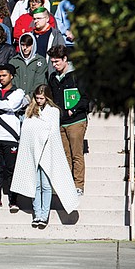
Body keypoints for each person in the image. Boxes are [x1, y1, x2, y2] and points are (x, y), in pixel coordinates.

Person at [11, 84, 79, 227]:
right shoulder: (30, 111)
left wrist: (40, 133)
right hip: (32, 152)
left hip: (47, 152)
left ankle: (44, 215)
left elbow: (52, 133)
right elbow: (27, 132)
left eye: (42, 98)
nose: (39, 100)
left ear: (47, 98)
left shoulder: (53, 112)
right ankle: (37, 214)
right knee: (35, 185)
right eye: (37, 98)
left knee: (46, 186)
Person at [47, 45, 89, 196]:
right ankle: (67, 183)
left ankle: (78, 185)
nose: (54, 65)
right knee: (65, 155)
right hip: (60, 121)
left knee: (76, 153)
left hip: (76, 121)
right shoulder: (52, 77)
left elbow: (85, 99)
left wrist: (73, 110)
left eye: (57, 61)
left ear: (65, 59)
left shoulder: (76, 75)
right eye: (52, 62)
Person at [0, 63, 27, 210]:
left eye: (4, 75)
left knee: (12, 170)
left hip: (11, 137)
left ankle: (14, 200)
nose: (1, 78)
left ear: (11, 76)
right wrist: (1, 105)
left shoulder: (18, 92)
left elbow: (11, 106)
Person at [9, 32, 48, 97]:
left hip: (35, 99)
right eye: (23, 45)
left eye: (28, 45)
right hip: (16, 99)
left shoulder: (41, 61)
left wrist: (30, 97)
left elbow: (40, 82)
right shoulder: (14, 61)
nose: (25, 48)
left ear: (33, 45)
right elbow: (12, 82)